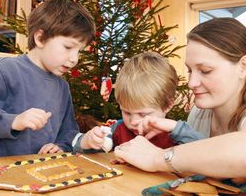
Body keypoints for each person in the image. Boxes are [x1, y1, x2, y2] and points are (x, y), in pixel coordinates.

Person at [114, 18, 246, 184]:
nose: (192, 83)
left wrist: (158, 158)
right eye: (190, 71)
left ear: (243, 66)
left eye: (205, 71)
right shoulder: (199, 114)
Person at [0, 0, 95, 157]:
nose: (75, 59)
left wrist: (59, 146)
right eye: (68, 47)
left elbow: (68, 132)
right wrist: (14, 121)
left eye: (79, 51)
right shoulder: (6, 70)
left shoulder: (63, 87)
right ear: (40, 38)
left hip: (40, 173)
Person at [73, 51, 203, 153]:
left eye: (143, 114)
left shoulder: (177, 134)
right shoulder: (118, 129)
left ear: (168, 105)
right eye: (126, 112)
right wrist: (88, 141)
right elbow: (78, 148)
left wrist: (177, 129)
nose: (133, 122)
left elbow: (206, 152)